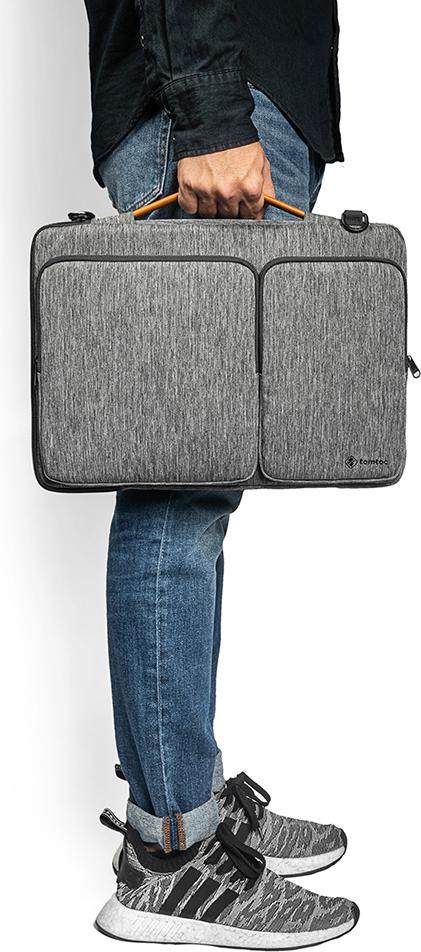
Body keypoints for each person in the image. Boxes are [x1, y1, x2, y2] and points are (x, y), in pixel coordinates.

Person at [83, 2, 359, 945]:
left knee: (202, 477)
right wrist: (209, 117)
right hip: (207, 115)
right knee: (179, 484)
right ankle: (172, 854)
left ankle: (188, 804)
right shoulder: (208, 121)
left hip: (230, 103)